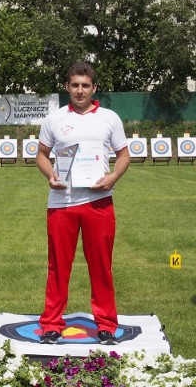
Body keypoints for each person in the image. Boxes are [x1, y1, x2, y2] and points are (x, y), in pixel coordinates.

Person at [35, 62, 130, 346]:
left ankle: (106, 325)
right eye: (74, 85)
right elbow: (41, 154)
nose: (79, 90)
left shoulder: (110, 118)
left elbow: (124, 155)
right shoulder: (53, 119)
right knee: (58, 266)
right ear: (67, 87)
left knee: (101, 266)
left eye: (85, 85)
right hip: (61, 203)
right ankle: (51, 324)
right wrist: (49, 173)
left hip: (99, 202)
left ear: (94, 88)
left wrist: (113, 176)